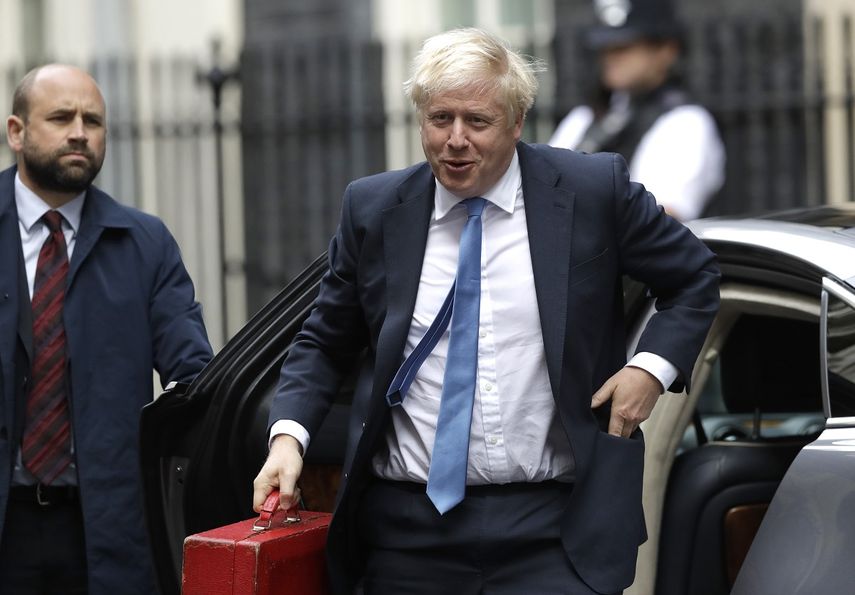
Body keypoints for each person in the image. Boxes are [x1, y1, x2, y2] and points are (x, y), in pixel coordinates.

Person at [253, 28, 719, 595]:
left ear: (516, 122)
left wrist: (650, 368)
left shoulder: (592, 189)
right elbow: (325, 342)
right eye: (440, 118)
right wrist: (287, 439)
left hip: (557, 532)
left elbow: (693, 276)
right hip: (407, 536)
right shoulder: (373, 209)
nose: (455, 141)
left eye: (477, 121)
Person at [0, 64, 213, 594]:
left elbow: (194, 377)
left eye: (93, 120)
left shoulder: (144, 244)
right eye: (61, 117)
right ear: (16, 132)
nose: (79, 131)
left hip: (106, 533)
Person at [550, 0, 725, 221]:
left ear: (666, 50)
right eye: (605, 48)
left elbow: (658, 217)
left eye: (625, 47)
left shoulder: (685, 122)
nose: (611, 57)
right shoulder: (585, 118)